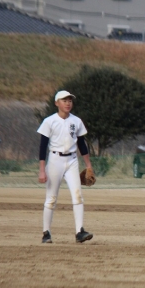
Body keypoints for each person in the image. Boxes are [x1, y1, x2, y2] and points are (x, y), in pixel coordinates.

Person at [37, 90, 94, 243]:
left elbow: (82, 144)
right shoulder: (49, 121)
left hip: (72, 160)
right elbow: (42, 147)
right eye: (64, 100)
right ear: (57, 103)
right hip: (55, 160)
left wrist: (88, 165)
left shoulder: (76, 121)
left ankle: (80, 231)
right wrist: (42, 170)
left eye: (70, 100)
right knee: (51, 199)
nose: (68, 103)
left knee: (78, 195)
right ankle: (46, 233)